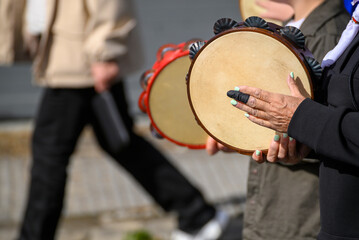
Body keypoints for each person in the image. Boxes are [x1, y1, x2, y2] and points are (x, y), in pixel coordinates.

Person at [17, 1, 228, 240]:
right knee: (119, 142)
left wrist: (104, 50)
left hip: (81, 58)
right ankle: (196, 213)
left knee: (50, 156)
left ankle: (197, 213)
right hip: (70, 53)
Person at [208, 0, 349, 239]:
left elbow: (340, 134)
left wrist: (302, 143)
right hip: (277, 211)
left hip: (301, 217)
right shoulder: (293, 27)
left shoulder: (331, 37)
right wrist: (239, 134)